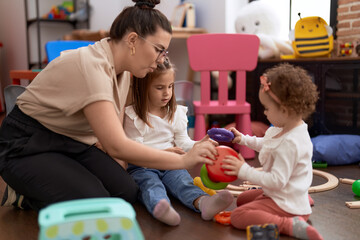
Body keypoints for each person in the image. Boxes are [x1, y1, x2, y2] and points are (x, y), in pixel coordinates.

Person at [0, 0, 217, 211]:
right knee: (98, 202)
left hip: (72, 141)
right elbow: (116, 145)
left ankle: (57, 181)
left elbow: (116, 134)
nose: (161, 60)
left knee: (127, 191)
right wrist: (184, 160)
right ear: (132, 40)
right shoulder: (92, 66)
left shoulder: (124, 72)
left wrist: (120, 171)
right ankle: (22, 194)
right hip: (26, 144)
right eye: (159, 49)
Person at [124, 59, 233, 226]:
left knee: (183, 182)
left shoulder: (175, 112)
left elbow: (182, 143)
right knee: (150, 185)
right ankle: (162, 208)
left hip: (171, 164)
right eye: (159, 88)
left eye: (170, 86)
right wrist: (163, 154)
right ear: (143, 87)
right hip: (143, 166)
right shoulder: (133, 116)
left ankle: (204, 203)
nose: (167, 93)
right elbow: (135, 150)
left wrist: (197, 146)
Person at [222, 63, 323, 240]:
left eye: (267, 108)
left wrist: (243, 170)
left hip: (284, 201)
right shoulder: (284, 128)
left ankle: (289, 224)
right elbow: (268, 144)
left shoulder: (291, 143)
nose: (264, 112)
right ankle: (302, 200)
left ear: (284, 110)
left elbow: (276, 181)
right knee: (243, 199)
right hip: (286, 195)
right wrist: (243, 139)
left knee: (238, 216)